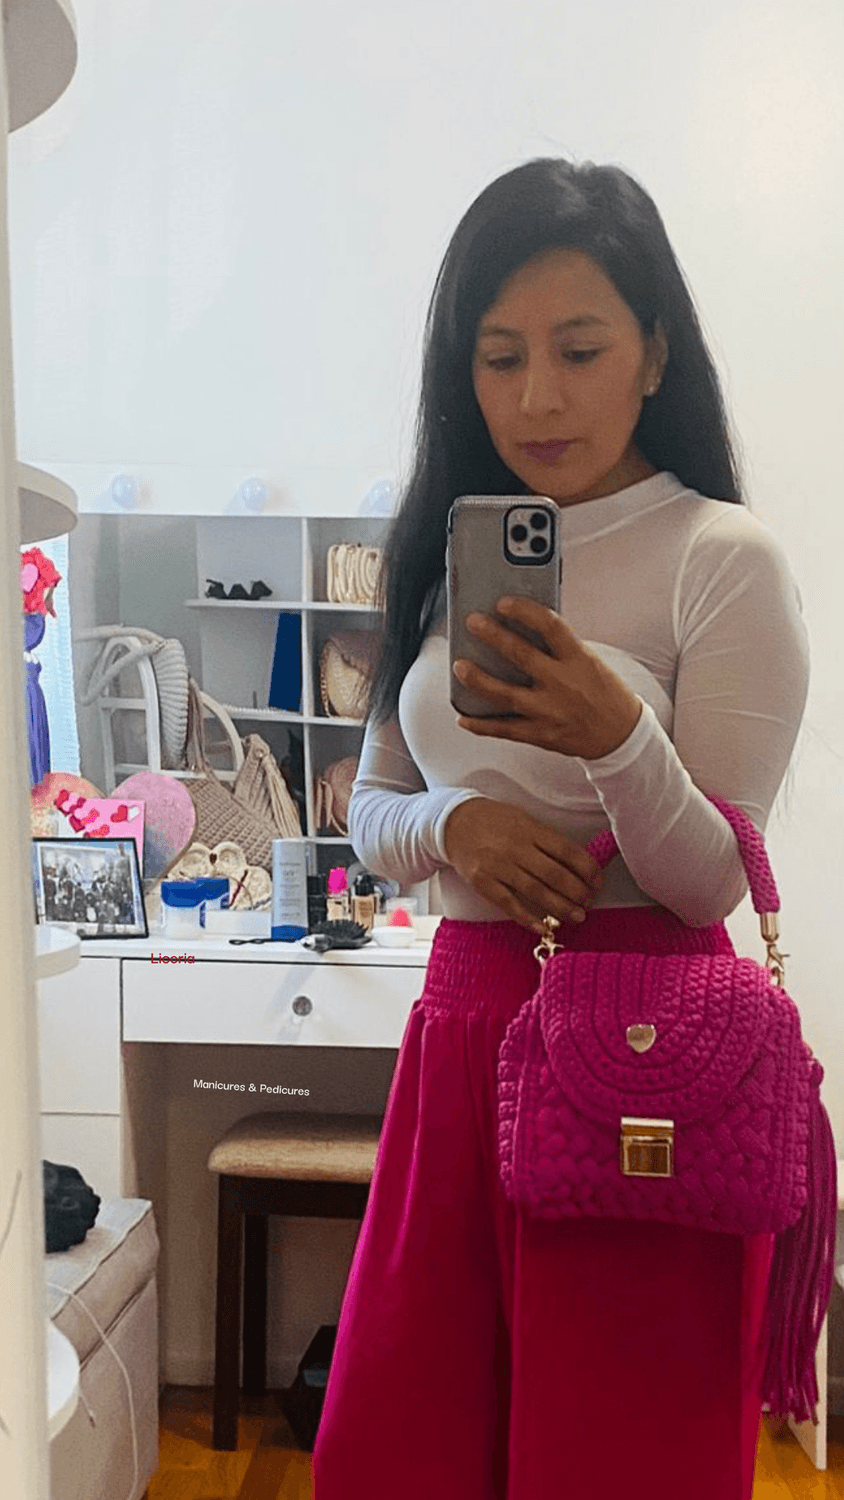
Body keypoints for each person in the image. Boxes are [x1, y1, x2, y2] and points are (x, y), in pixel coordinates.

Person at [312, 158, 809, 1500]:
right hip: (463, 1034)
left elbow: (713, 880)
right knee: (406, 1449)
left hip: (648, 1058)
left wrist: (616, 733)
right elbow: (371, 812)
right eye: (500, 356)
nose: (537, 396)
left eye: (579, 350)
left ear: (655, 352)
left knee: (619, 1461)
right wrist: (456, 825)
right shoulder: (448, 556)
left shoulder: (723, 559)